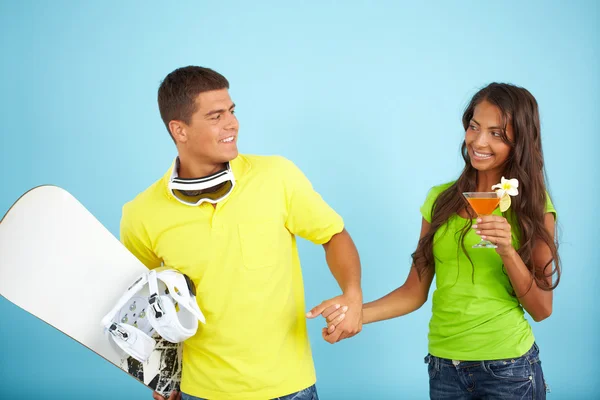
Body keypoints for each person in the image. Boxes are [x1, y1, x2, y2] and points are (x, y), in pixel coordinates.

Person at [119, 66, 363, 400]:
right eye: (215, 116)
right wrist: (164, 376)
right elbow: (148, 300)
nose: (232, 123)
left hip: (288, 388)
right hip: (200, 391)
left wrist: (352, 293)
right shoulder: (141, 213)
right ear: (180, 130)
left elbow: (334, 235)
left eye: (231, 112)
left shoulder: (277, 176)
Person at [314, 83, 561, 399]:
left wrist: (507, 251)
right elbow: (413, 291)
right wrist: (355, 314)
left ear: (519, 142)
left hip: (508, 369)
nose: (479, 141)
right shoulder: (440, 200)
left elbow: (542, 309)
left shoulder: (533, 207)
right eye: (474, 127)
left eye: (497, 134)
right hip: (444, 368)